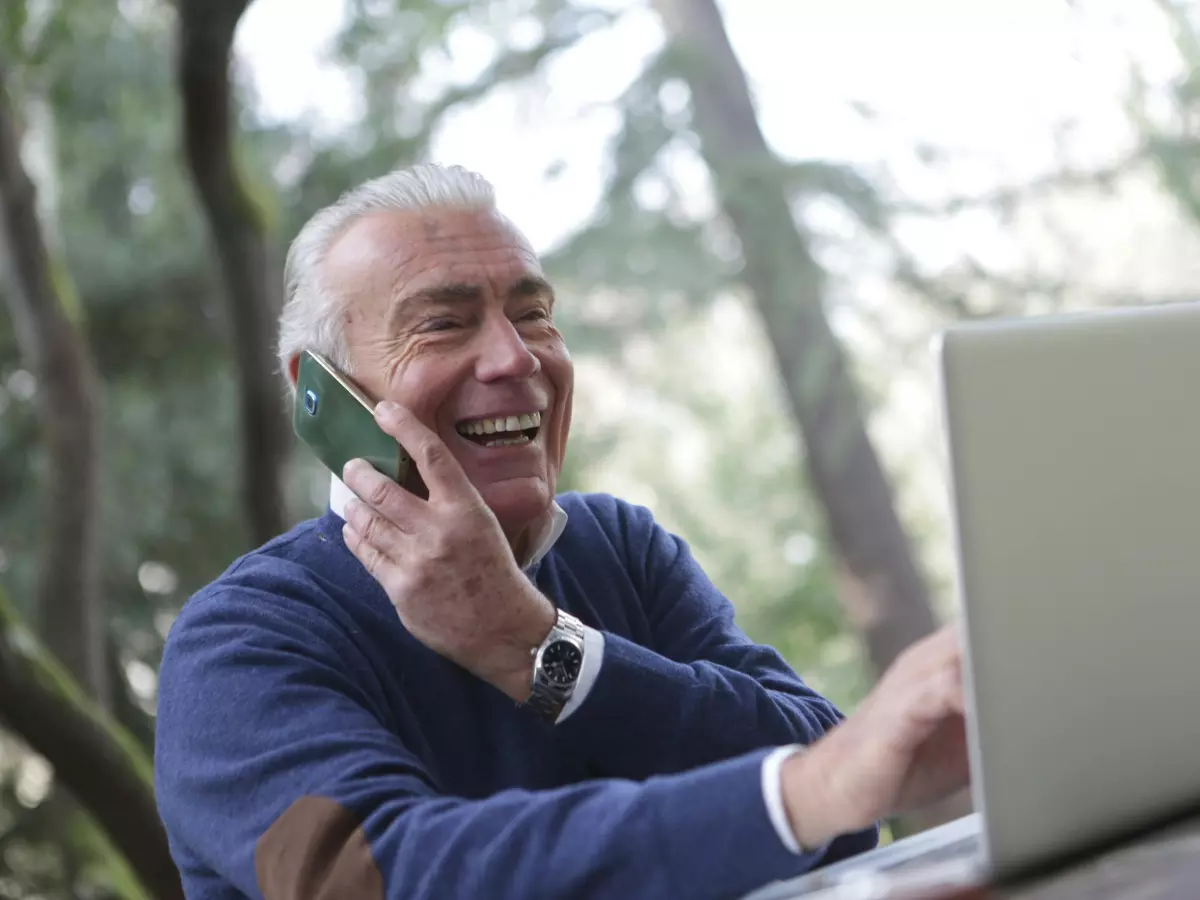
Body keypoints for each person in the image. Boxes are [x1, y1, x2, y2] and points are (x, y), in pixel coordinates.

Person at [153, 163, 969, 900]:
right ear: (319, 395)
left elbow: (847, 796)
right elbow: (382, 879)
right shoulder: (240, 643)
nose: (515, 358)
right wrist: (794, 796)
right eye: (443, 323)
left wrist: (543, 650)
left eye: (534, 314)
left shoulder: (618, 547)